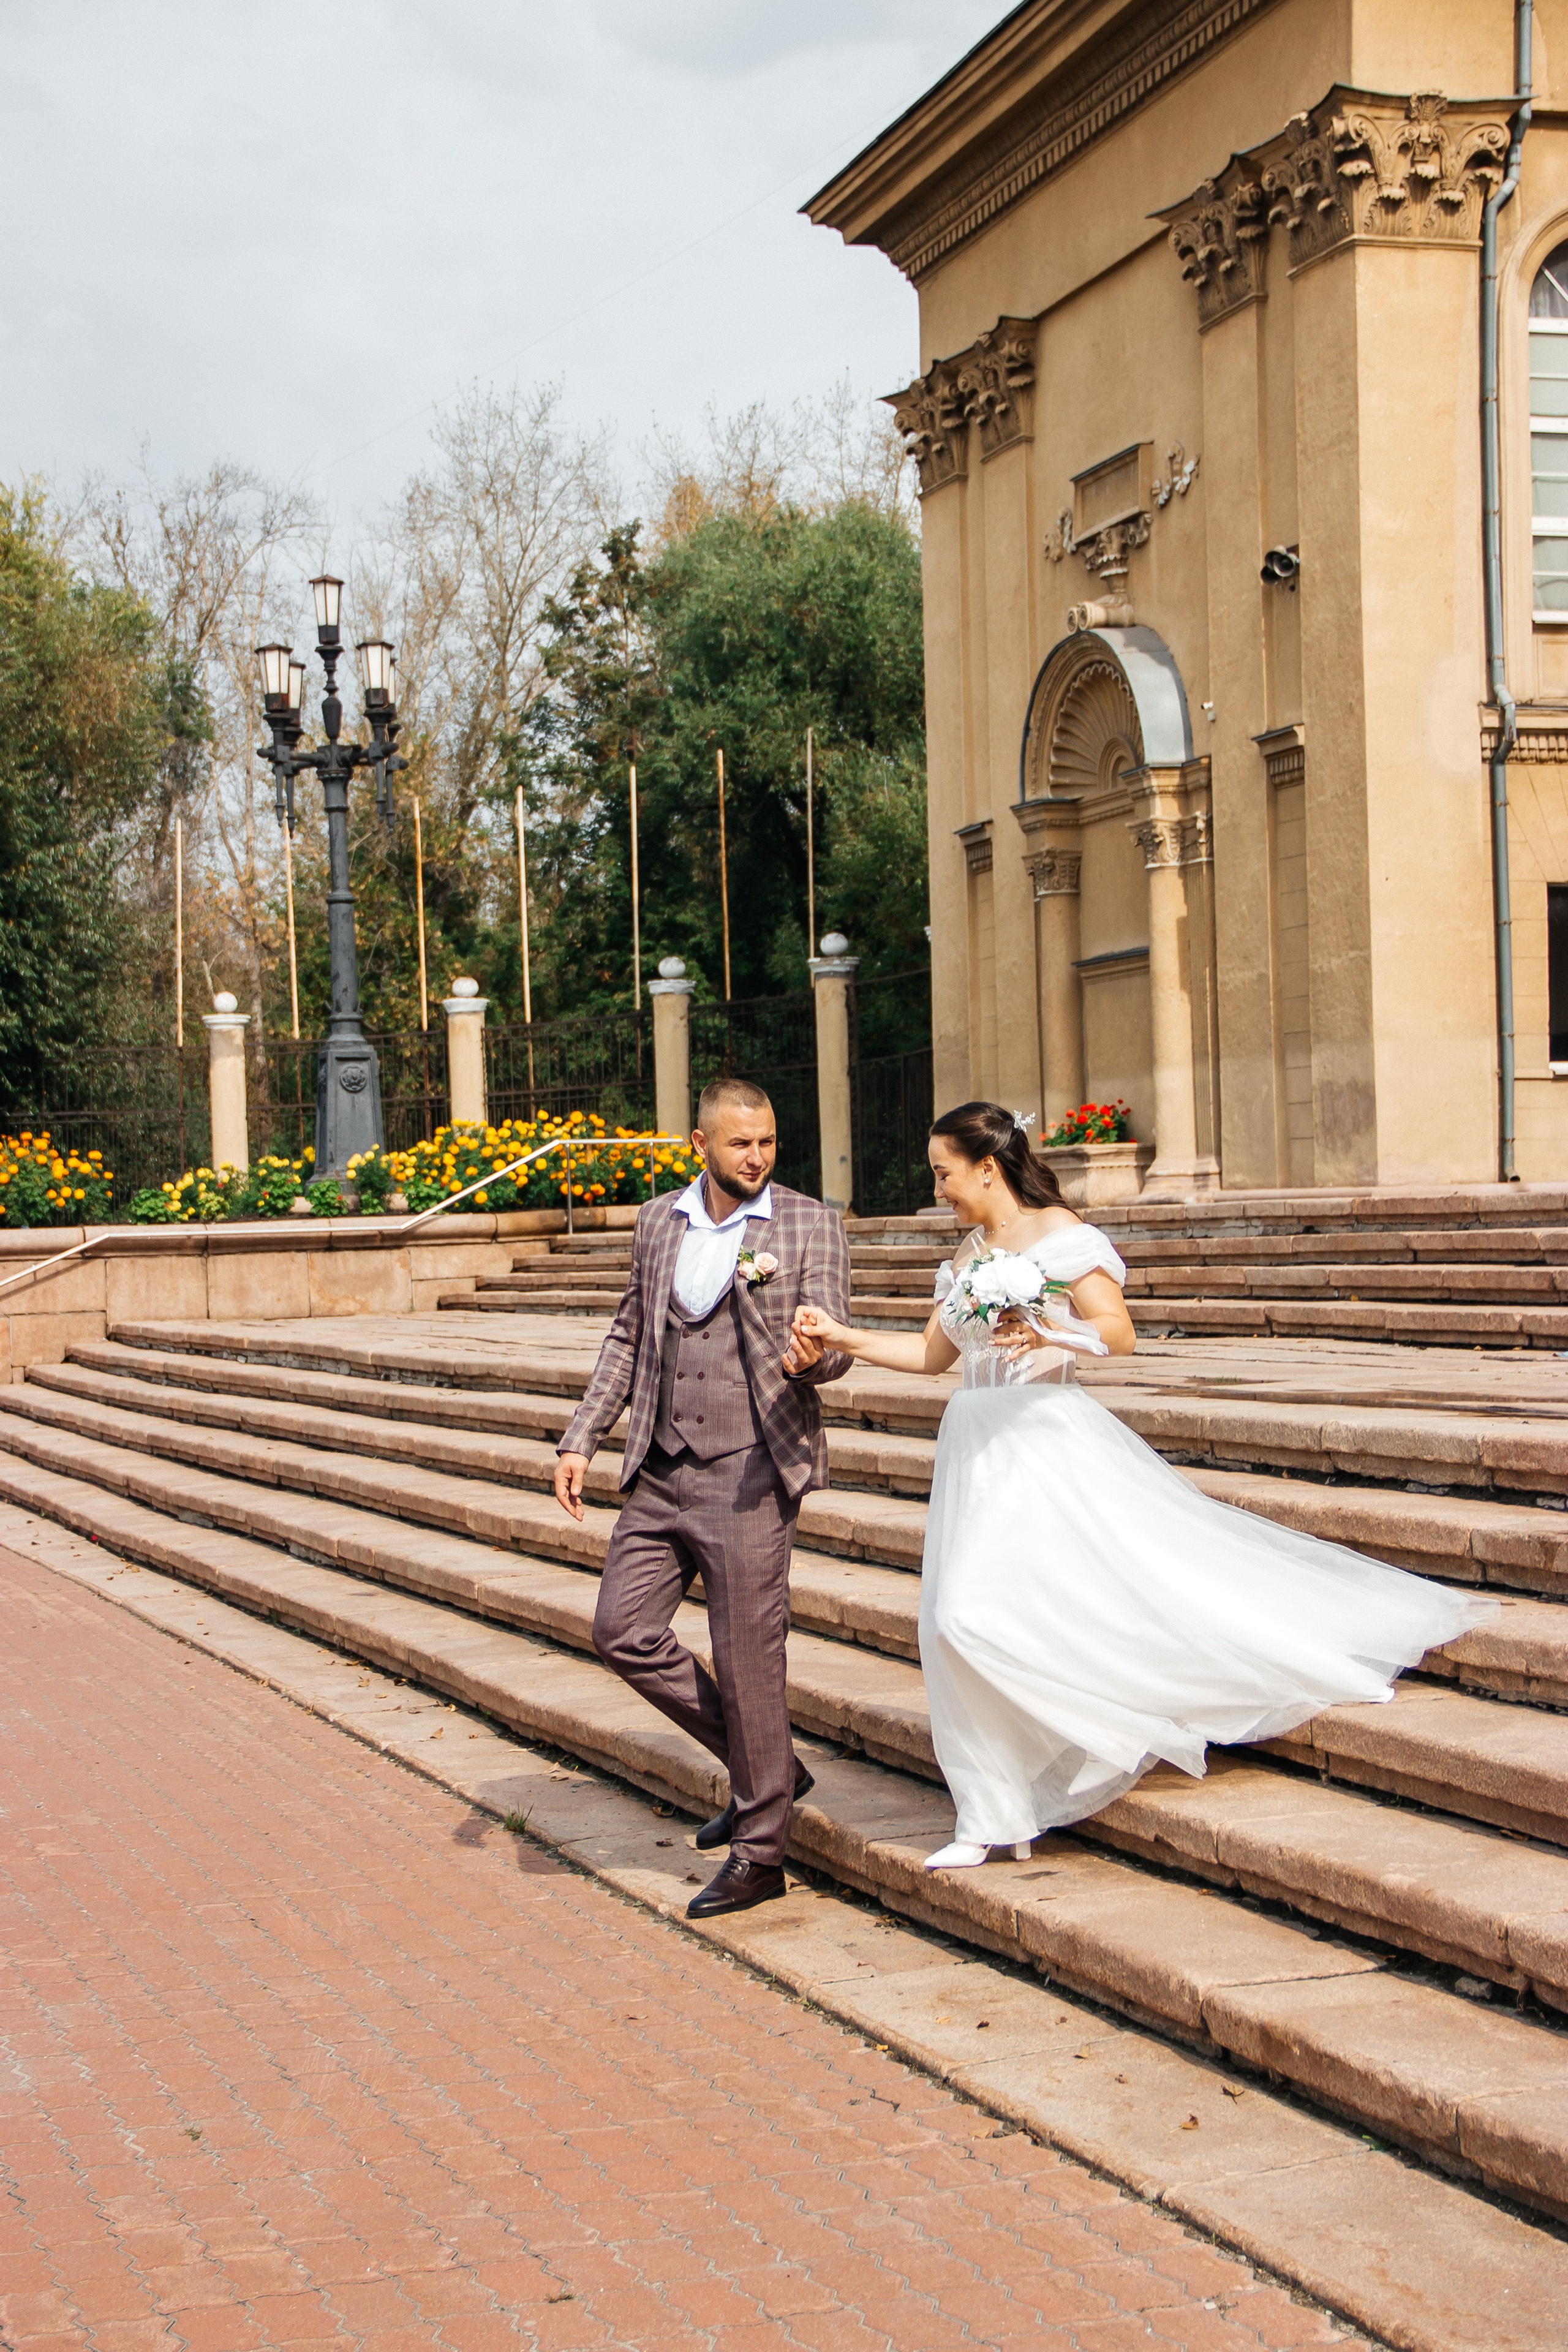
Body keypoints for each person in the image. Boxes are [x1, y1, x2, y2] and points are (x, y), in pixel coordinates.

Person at [788, 1099, 1497, 1872]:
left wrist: (1050, 1331)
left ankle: (1067, 1757)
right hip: (976, 1447)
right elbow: (934, 1359)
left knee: (972, 1616)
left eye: (944, 1173)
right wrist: (841, 1336)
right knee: (955, 1622)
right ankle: (996, 1809)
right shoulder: (966, 1252)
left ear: (987, 1167)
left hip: (1043, 1438)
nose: (939, 1188)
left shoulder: (1064, 1238)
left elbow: (1118, 1335)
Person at [554, 1077, 851, 1917]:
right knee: (621, 1629)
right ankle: (770, 1771)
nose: (755, 1157)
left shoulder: (806, 1222)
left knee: (749, 1658)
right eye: (738, 1144)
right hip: (659, 1464)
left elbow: (836, 1347)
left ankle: (763, 1853)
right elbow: (628, 1332)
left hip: (752, 1468)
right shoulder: (658, 1222)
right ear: (701, 1145)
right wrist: (583, 1436)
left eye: (766, 1142)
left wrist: (813, 1356)